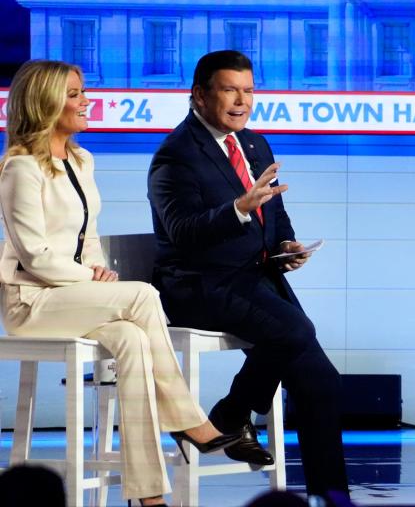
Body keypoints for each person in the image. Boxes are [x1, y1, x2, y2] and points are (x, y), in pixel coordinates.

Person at [0, 60, 240, 506]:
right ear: (46, 104)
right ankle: (189, 420)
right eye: (73, 94)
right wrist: (87, 276)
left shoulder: (79, 159)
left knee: (131, 337)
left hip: (72, 296)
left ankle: (148, 496)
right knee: (143, 295)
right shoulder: (19, 168)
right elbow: (34, 254)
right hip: (31, 302)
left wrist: (96, 269)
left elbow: (86, 235)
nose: (86, 101)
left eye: (82, 91)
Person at [147, 50, 349, 501]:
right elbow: (183, 232)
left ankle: (332, 496)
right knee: (295, 329)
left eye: (249, 90)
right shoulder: (175, 156)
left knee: (322, 384)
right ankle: (227, 417)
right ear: (199, 95)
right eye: (229, 90)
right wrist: (239, 208)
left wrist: (285, 247)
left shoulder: (254, 144)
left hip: (255, 279)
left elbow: (274, 211)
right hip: (199, 283)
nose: (242, 101)